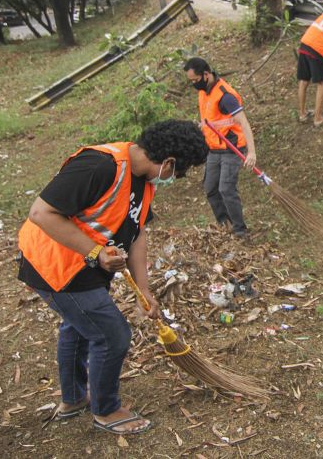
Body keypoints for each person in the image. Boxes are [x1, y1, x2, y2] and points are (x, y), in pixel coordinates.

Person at [17, 120, 208, 435]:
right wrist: (96, 251)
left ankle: (74, 399)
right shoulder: (98, 166)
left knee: (78, 328)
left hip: (85, 265)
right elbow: (40, 213)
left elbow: (137, 232)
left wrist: (143, 290)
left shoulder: (143, 181)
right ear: (169, 162)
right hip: (55, 265)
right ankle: (105, 411)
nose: (176, 178)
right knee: (112, 335)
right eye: (179, 171)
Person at [183, 57, 257, 239]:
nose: (193, 84)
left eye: (195, 80)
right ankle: (225, 225)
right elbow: (211, 119)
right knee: (210, 188)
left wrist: (252, 152)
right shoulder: (203, 92)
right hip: (214, 149)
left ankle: (240, 231)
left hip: (231, 149)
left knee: (226, 189)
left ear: (206, 74)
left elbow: (244, 122)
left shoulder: (225, 96)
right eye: (190, 81)